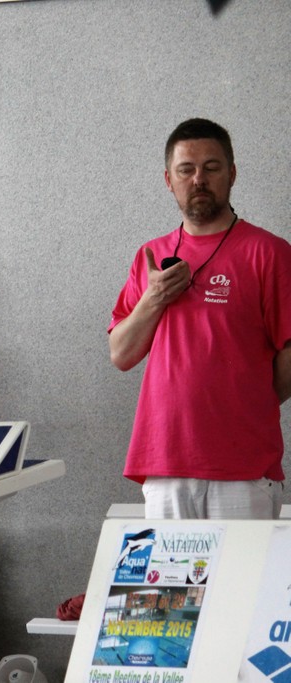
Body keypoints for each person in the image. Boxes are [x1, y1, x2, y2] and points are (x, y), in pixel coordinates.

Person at [108, 118, 291, 519]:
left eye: (211, 167)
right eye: (186, 169)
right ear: (168, 180)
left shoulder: (269, 252)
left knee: (243, 566)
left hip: (244, 468)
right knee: (167, 567)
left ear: (232, 174)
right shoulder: (150, 256)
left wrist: (248, 401)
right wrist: (154, 298)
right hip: (165, 462)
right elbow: (121, 354)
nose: (199, 180)